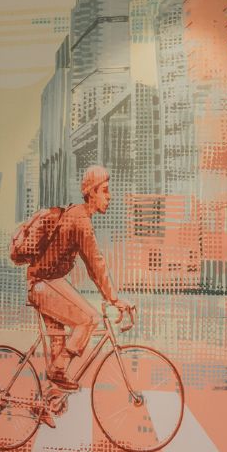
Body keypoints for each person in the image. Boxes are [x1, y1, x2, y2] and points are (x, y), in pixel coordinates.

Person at [25, 165, 132, 392]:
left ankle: (49, 400)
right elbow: (95, 264)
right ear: (92, 192)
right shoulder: (80, 220)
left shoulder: (76, 214)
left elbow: (93, 266)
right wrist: (113, 299)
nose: (109, 196)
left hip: (45, 284)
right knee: (89, 319)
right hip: (44, 286)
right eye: (105, 190)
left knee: (59, 343)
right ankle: (56, 373)